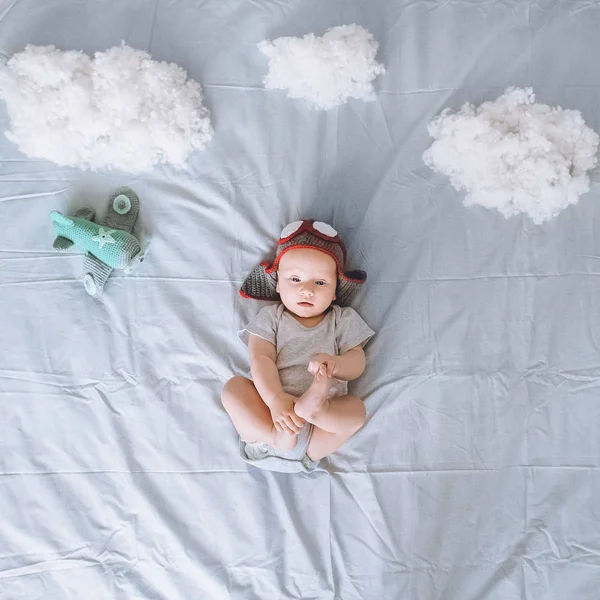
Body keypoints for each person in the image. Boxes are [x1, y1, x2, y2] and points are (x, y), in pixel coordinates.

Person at [221, 220, 374, 472]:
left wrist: (337, 365)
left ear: (336, 290)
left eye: (320, 283)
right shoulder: (272, 318)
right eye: (295, 279)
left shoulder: (342, 320)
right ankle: (276, 436)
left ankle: (318, 409)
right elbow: (261, 359)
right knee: (233, 389)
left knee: (356, 411)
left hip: (316, 437)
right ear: (278, 284)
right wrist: (276, 400)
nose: (306, 290)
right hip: (268, 424)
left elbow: (357, 361)